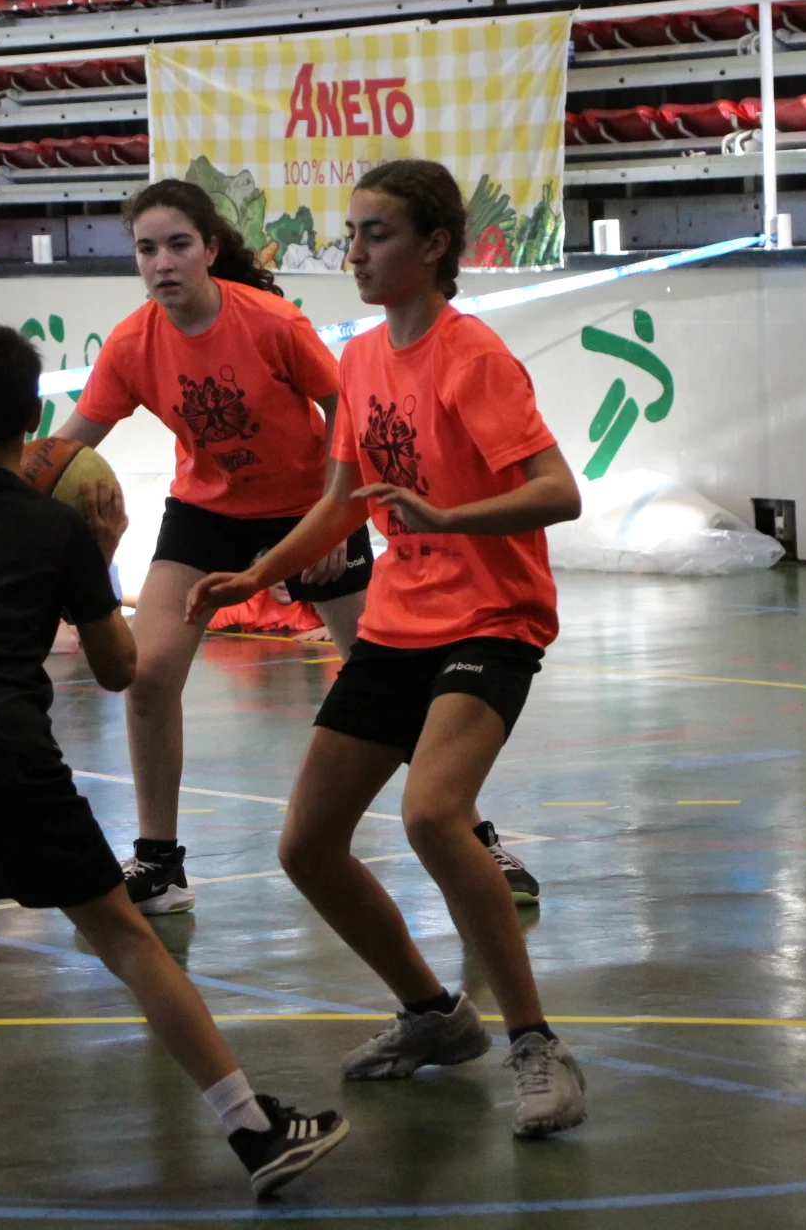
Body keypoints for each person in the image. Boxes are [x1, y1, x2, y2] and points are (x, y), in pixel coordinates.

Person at [0, 326, 348, 1198]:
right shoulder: (56, 529)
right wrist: (95, 560)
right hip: (6, 748)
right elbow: (119, 671)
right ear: (34, 419)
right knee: (126, 939)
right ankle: (253, 1130)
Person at [187, 160, 587, 1137]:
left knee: (434, 813)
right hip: (398, 624)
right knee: (305, 844)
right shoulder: (361, 357)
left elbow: (558, 492)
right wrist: (256, 572)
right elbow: (340, 502)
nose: (355, 253)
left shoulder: (473, 357)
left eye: (377, 234)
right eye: (353, 234)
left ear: (435, 245)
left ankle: (538, 1045)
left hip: (492, 619)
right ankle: (433, 1013)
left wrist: (450, 517)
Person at [54, 179, 540, 915]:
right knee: (147, 676)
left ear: (210, 249)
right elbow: (68, 448)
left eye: (178, 244)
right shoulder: (131, 344)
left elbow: (345, 405)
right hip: (206, 515)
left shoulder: (271, 323)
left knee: (390, 679)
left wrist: (332, 515)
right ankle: (158, 862)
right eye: (146, 249)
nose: (162, 263)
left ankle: (475, 835)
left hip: (309, 506)